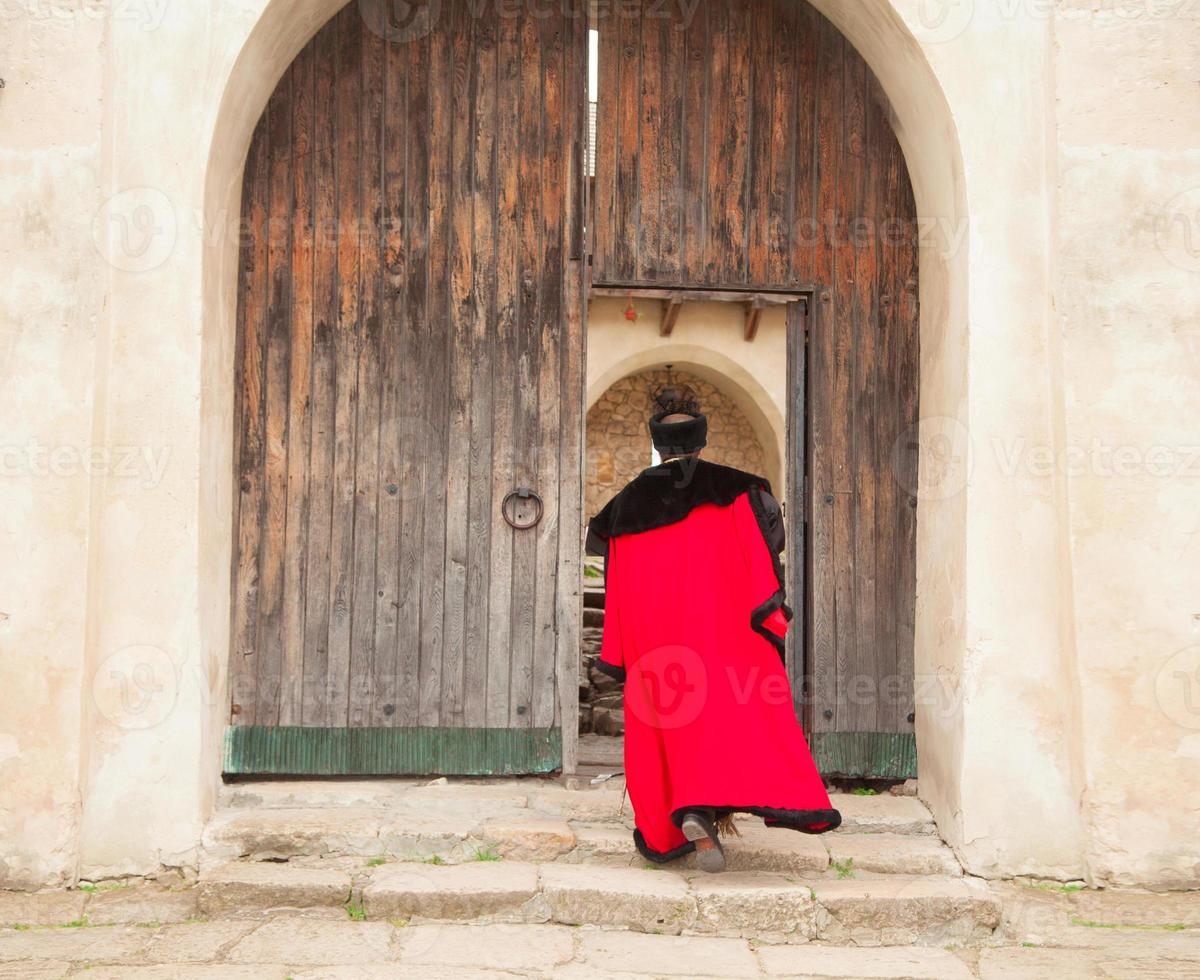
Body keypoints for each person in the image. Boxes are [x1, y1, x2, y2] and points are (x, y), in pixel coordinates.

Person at [585, 386, 841, 872]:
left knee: (671, 729)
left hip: (658, 646)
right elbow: (769, 553)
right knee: (737, 717)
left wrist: (621, 651)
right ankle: (706, 812)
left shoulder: (625, 508)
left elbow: (617, 587)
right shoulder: (739, 491)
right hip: (724, 634)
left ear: (658, 445)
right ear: (701, 443)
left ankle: (694, 816)